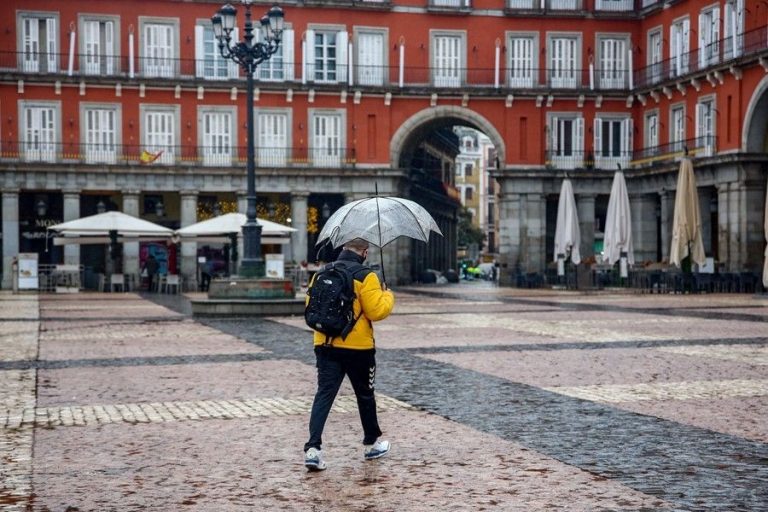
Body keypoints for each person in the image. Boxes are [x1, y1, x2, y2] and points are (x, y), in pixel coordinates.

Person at [303, 238, 395, 471]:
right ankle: (371, 444)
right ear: (364, 252)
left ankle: (313, 450)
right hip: (358, 348)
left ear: (344, 249)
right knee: (365, 395)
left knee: (324, 395)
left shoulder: (321, 273)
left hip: (324, 343)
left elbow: (311, 305)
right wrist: (388, 296)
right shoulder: (366, 276)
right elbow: (376, 311)